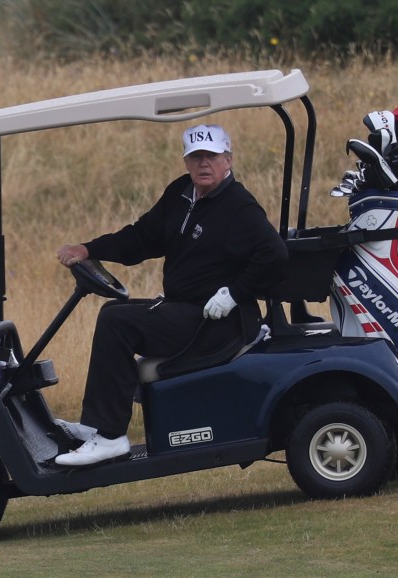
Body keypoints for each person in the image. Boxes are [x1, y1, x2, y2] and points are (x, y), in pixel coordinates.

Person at [54, 123, 289, 467]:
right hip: (185, 312)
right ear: (186, 162)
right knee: (118, 316)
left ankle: (110, 438)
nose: (203, 163)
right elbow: (141, 238)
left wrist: (234, 294)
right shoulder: (181, 193)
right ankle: (98, 428)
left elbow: (275, 254)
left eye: (211, 156)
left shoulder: (239, 206)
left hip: (218, 324)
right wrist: (89, 249)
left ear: (228, 160)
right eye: (196, 157)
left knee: (116, 320)